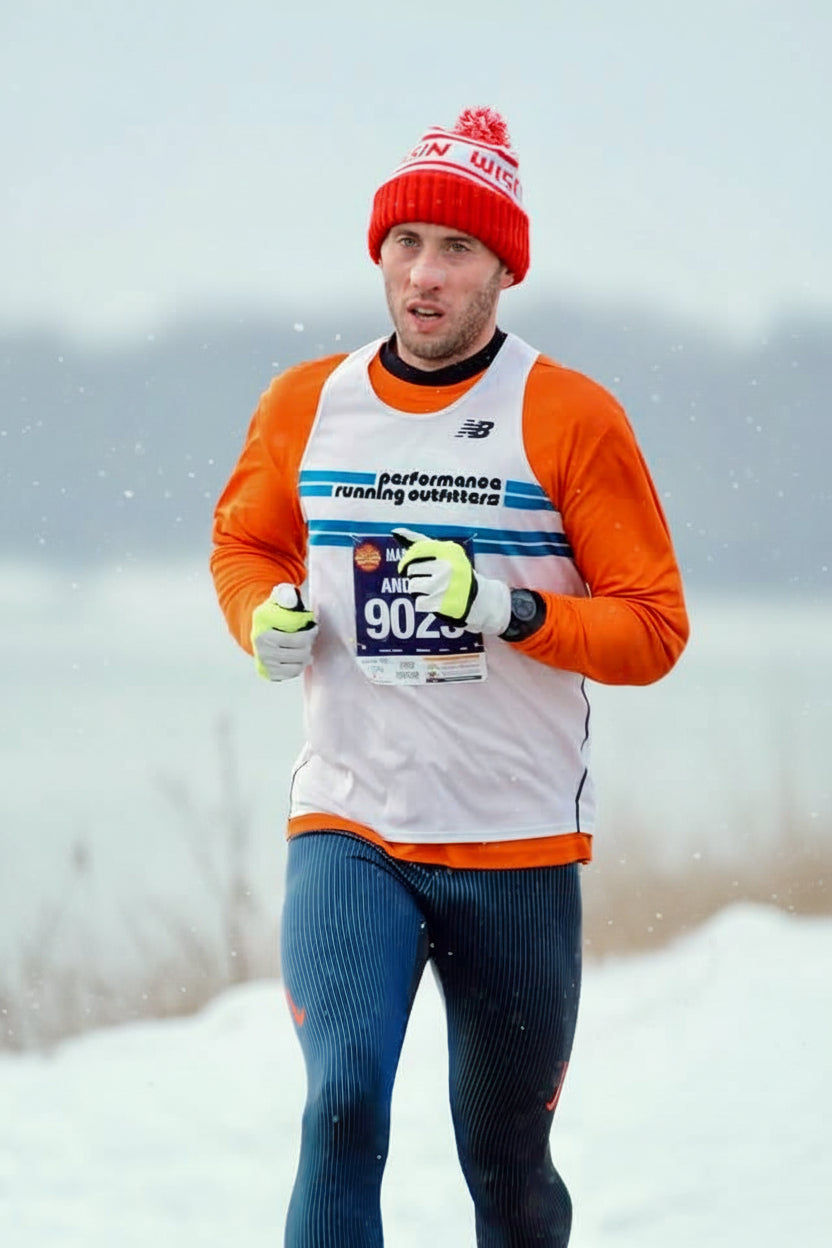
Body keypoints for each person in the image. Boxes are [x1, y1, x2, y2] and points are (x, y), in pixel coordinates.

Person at [210, 105, 689, 1248]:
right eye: (405, 244)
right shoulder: (306, 405)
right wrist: (260, 619)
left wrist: (508, 609)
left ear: (504, 269)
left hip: (515, 844)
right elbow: (247, 545)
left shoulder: (569, 417)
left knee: (507, 1166)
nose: (424, 275)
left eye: (457, 249)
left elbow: (653, 630)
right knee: (340, 1107)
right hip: (352, 826)